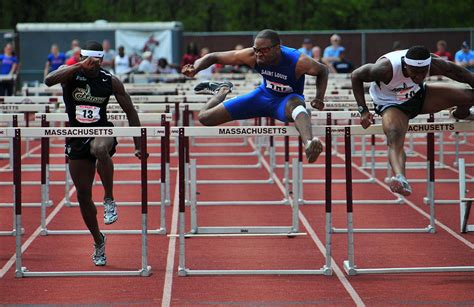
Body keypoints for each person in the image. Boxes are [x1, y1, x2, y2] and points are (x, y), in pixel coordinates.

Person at [44, 41, 145, 266]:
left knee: (100, 149)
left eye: (95, 62)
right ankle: (98, 240)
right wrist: (77, 66)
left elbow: (130, 111)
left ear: (101, 61)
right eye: (88, 62)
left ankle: (109, 198)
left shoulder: (110, 80)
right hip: (76, 136)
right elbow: (49, 80)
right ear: (82, 58)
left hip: (101, 130)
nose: (92, 66)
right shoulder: (71, 76)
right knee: (82, 194)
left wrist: (138, 144)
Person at [182, 29, 329, 163]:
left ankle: (309, 144)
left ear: (277, 48)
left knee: (297, 106)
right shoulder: (252, 55)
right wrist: (195, 68)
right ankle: (222, 90)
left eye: (263, 50)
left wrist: (319, 98)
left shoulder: (298, 61)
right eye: (256, 50)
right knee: (205, 118)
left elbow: (323, 70)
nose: (259, 54)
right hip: (261, 97)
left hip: (286, 102)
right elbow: (213, 57)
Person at [351, 45, 474, 196]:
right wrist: (363, 110)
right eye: (414, 73)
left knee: (469, 95)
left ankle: (462, 113)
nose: (419, 77)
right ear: (406, 65)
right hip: (391, 103)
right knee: (394, 135)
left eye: (423, 72)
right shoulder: (385, 69)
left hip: (419, 96)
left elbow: (461, 73)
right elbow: (356, 76)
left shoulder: (434, 63)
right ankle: (400, 178)